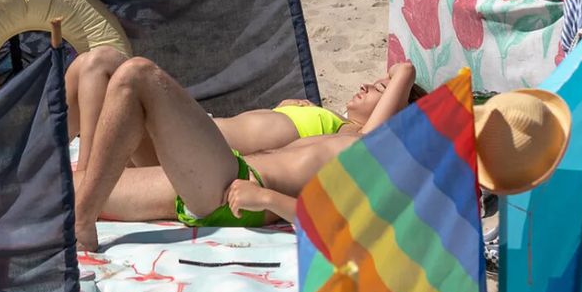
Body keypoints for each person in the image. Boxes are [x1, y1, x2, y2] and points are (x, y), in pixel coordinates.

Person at [68, 51, 417, 251]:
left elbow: (338, 229)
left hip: (230, 191)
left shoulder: (374, 157)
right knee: (73, 186)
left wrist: (267, 200)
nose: (369, 85)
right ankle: (71, 206)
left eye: (382, 90)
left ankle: (82, 224)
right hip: (219, 177)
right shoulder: (343, 138)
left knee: (137, 74)